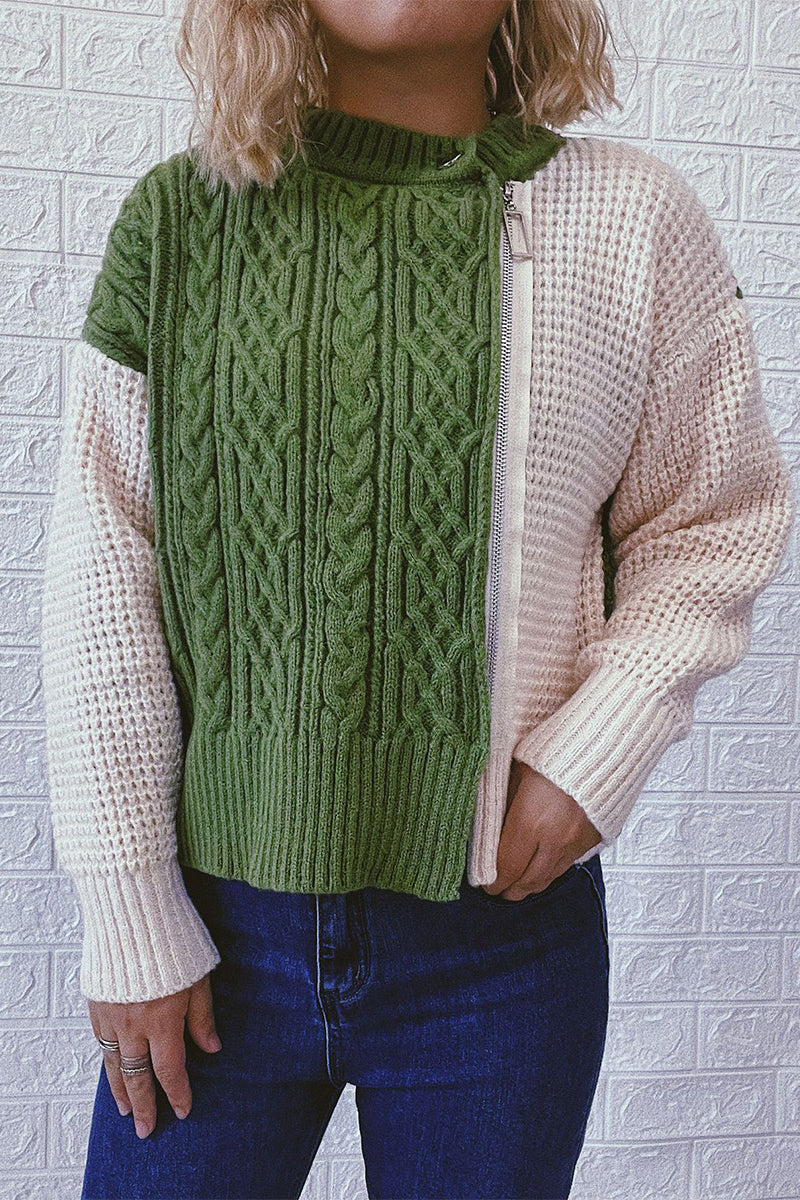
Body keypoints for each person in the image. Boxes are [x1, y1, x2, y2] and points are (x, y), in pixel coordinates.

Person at [40, 0, 795, 1197]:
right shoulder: (181, 222)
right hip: (214, 936)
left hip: (501, 944)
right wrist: (129, 908)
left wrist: (593, 753)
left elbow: (711, 520)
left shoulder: (631, 220)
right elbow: (100, 575)